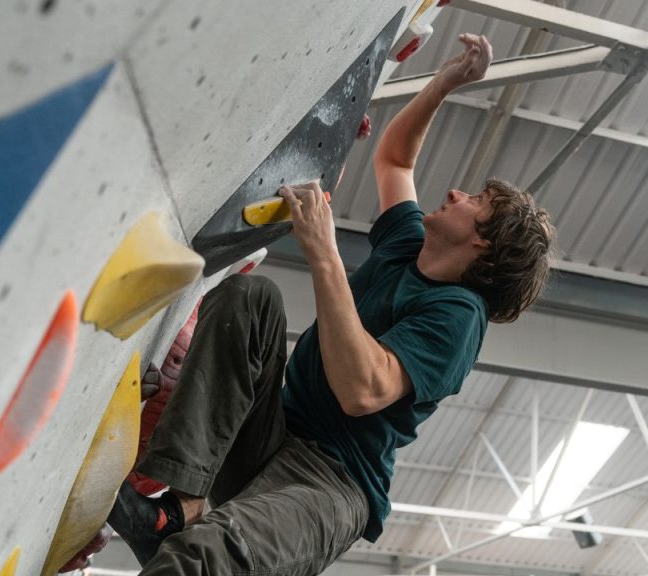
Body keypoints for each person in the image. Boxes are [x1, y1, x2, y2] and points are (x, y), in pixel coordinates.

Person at [106, 32, 554, 575]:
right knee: (252, 298)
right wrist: (446, 83)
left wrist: (324, 252)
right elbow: (395, 161)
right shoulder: (409, 245)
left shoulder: (458, 317)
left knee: (211, 556)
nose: (458, 193)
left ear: (482, 242)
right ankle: (182, 501)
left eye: (475, 202)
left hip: (329, 484)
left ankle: (190, 536)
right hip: (274, 430)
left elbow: (362, 389)